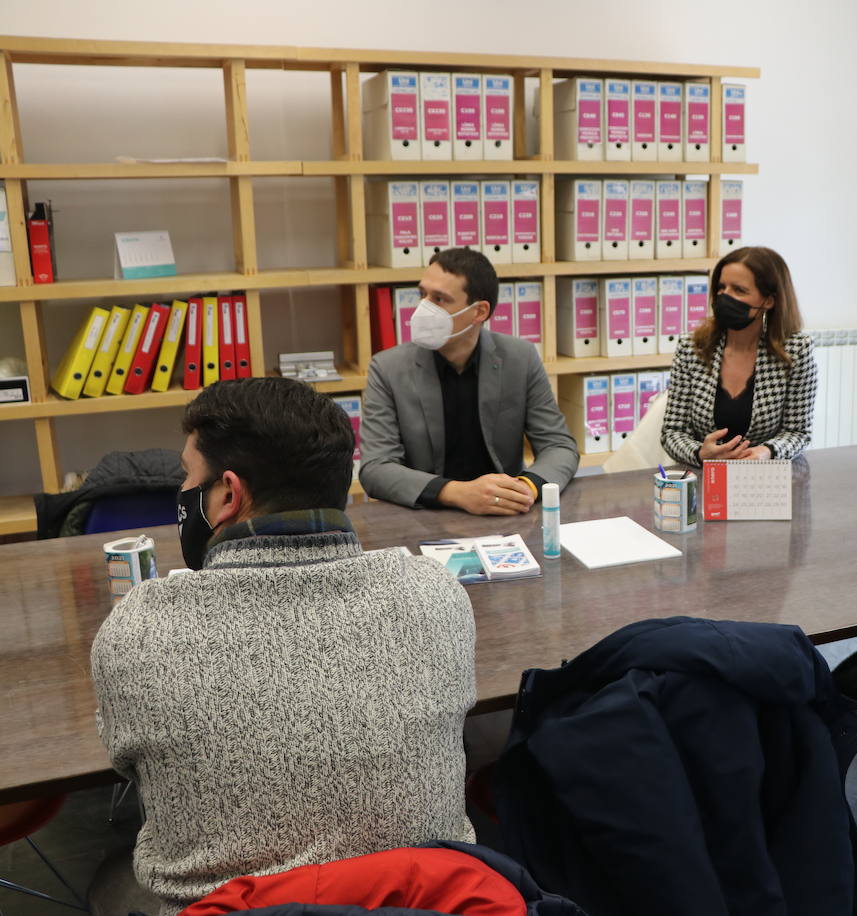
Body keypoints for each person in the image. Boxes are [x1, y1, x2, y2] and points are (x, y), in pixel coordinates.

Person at [90, 377, 477, 916]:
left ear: (228, 493)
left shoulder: (139, 628)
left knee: (110, 876)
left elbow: (127, 766)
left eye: (187, 475)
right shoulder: (435, 595)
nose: (182, 489)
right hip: (420, 903)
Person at [360, 247, 579, 515]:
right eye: (422, 294)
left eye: (439, 299)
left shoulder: (520, 358)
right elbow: (375, 468)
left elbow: (559, 446)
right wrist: (457, 493)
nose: (423, 308)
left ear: (479, 312)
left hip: (505, 515)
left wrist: (526, 487)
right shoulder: (387, 368)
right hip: (426, 515)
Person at [660, 246, 817, 465]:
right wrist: (700, 453)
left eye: (739, 290)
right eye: (721, 288)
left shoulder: (796, 351)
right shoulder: (692, 347)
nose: (725, 297)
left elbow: (798, 432)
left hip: (766, 478)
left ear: (769, 301)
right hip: (706, 476)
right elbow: (672, 431)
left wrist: (767, 451)